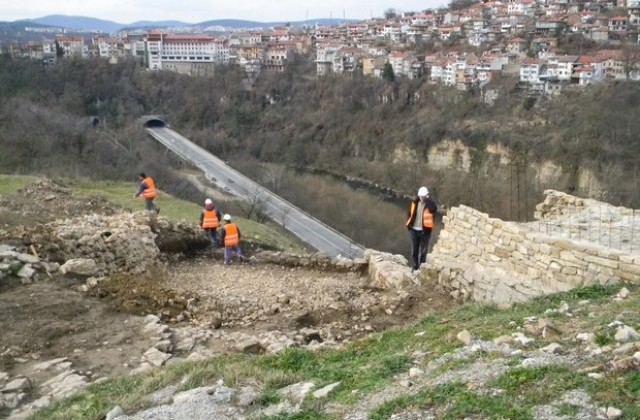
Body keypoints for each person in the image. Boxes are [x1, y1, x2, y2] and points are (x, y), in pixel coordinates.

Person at [406, 186, 437, 272]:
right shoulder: (414, 203)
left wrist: (428, 199)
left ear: (426, 195)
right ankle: (415, 266)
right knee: (414, 251)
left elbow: (433, 209)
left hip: (425, 232)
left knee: (423, 252)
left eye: (423, 196)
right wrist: (409, 224)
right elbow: (409, 214)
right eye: (420, 196)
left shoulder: (430, 205)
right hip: (414, 230)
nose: (421, 198)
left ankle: (421, 268)